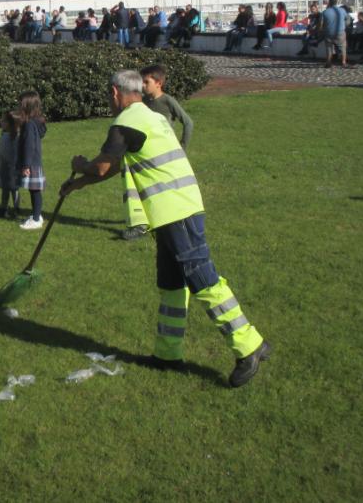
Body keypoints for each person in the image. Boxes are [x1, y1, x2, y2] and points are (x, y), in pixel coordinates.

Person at [60, 70, 270, 387]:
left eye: (109, 96)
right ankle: (167, 354)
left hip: (177, 212)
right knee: (171, 283)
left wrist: (79, 165)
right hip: (174, 210)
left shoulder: (126, 123)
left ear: (116, 93)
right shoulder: (149, 116)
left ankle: (249, 345)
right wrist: (77, 186)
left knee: (202, 278)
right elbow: (113, 166)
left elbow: (103, 165)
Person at [121, 65, 195, 240]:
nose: (143, 86)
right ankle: (143, 223)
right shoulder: (143, 103)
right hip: (146, 155)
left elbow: (188, 123)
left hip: (165, 156)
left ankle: (177, 218)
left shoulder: (167, 101)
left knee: (169, 189)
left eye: (146, 82)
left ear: (159, 83)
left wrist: (182, 147)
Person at [16, 91, 48, 230]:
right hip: (34, 163)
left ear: (27, 106)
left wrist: (26, 165)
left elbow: (29, 146)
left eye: (20, 105)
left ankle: (36, 219)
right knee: (33, 190)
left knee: (35, 191)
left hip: (32, 163)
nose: (18, 107)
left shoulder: (29, 125)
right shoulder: (34, 122)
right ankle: (36, 215)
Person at [321, 0, 349, 67]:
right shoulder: (342, 10)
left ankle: (328, 62)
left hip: (329, 33)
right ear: (336, 2)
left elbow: (321, 24)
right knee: (343, 47)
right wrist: (344, 26)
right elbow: (347, 19)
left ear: (329, 3)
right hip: (340, 32)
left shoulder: (325, 12)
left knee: (329, 48)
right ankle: (343, 62)